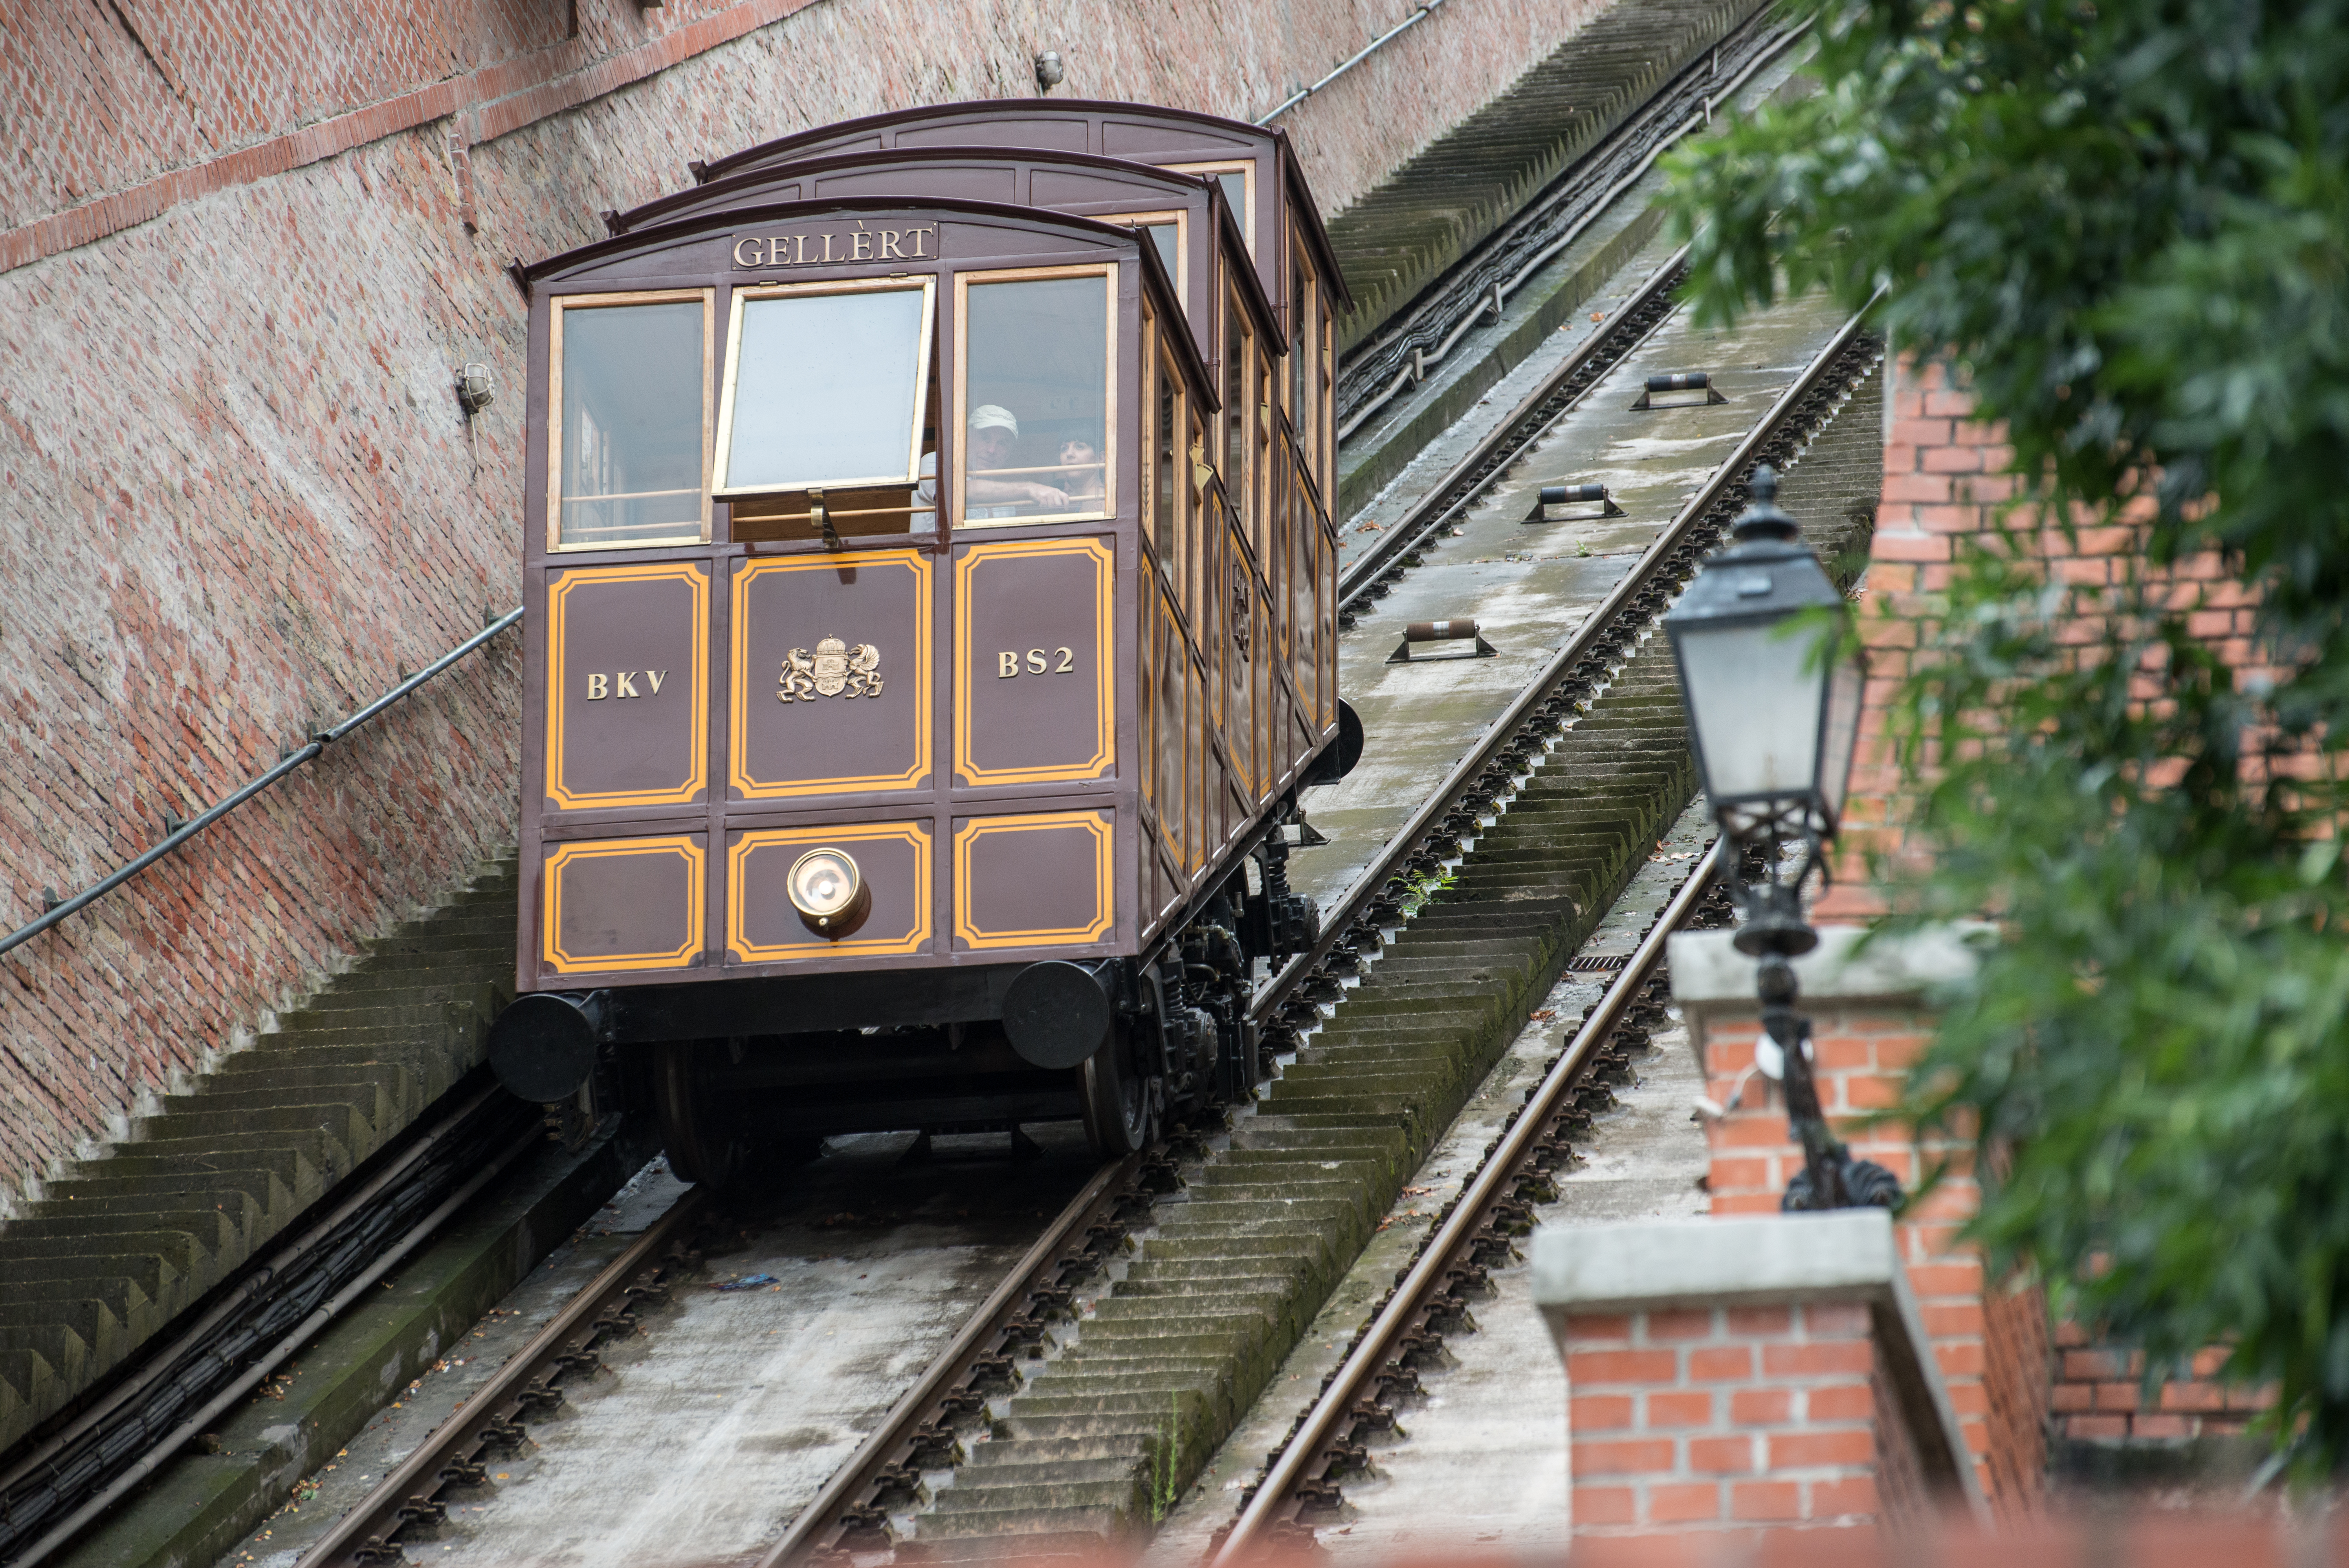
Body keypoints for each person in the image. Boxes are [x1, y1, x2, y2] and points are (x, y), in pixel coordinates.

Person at [914, 405, 1084, 523]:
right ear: (965, 438)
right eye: (985, 438)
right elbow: (955, 492)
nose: (992, 450)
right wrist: (1030, 489)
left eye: (1002, 443)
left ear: (1009, 453)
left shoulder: (1005, 498)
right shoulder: (934, 461)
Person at [1057, 436, 1106, 505]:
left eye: (1080, 447)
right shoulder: (1081, 496)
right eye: (1064, 449)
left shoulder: (1095, 495)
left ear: (1100, 458)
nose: (1069, 454)